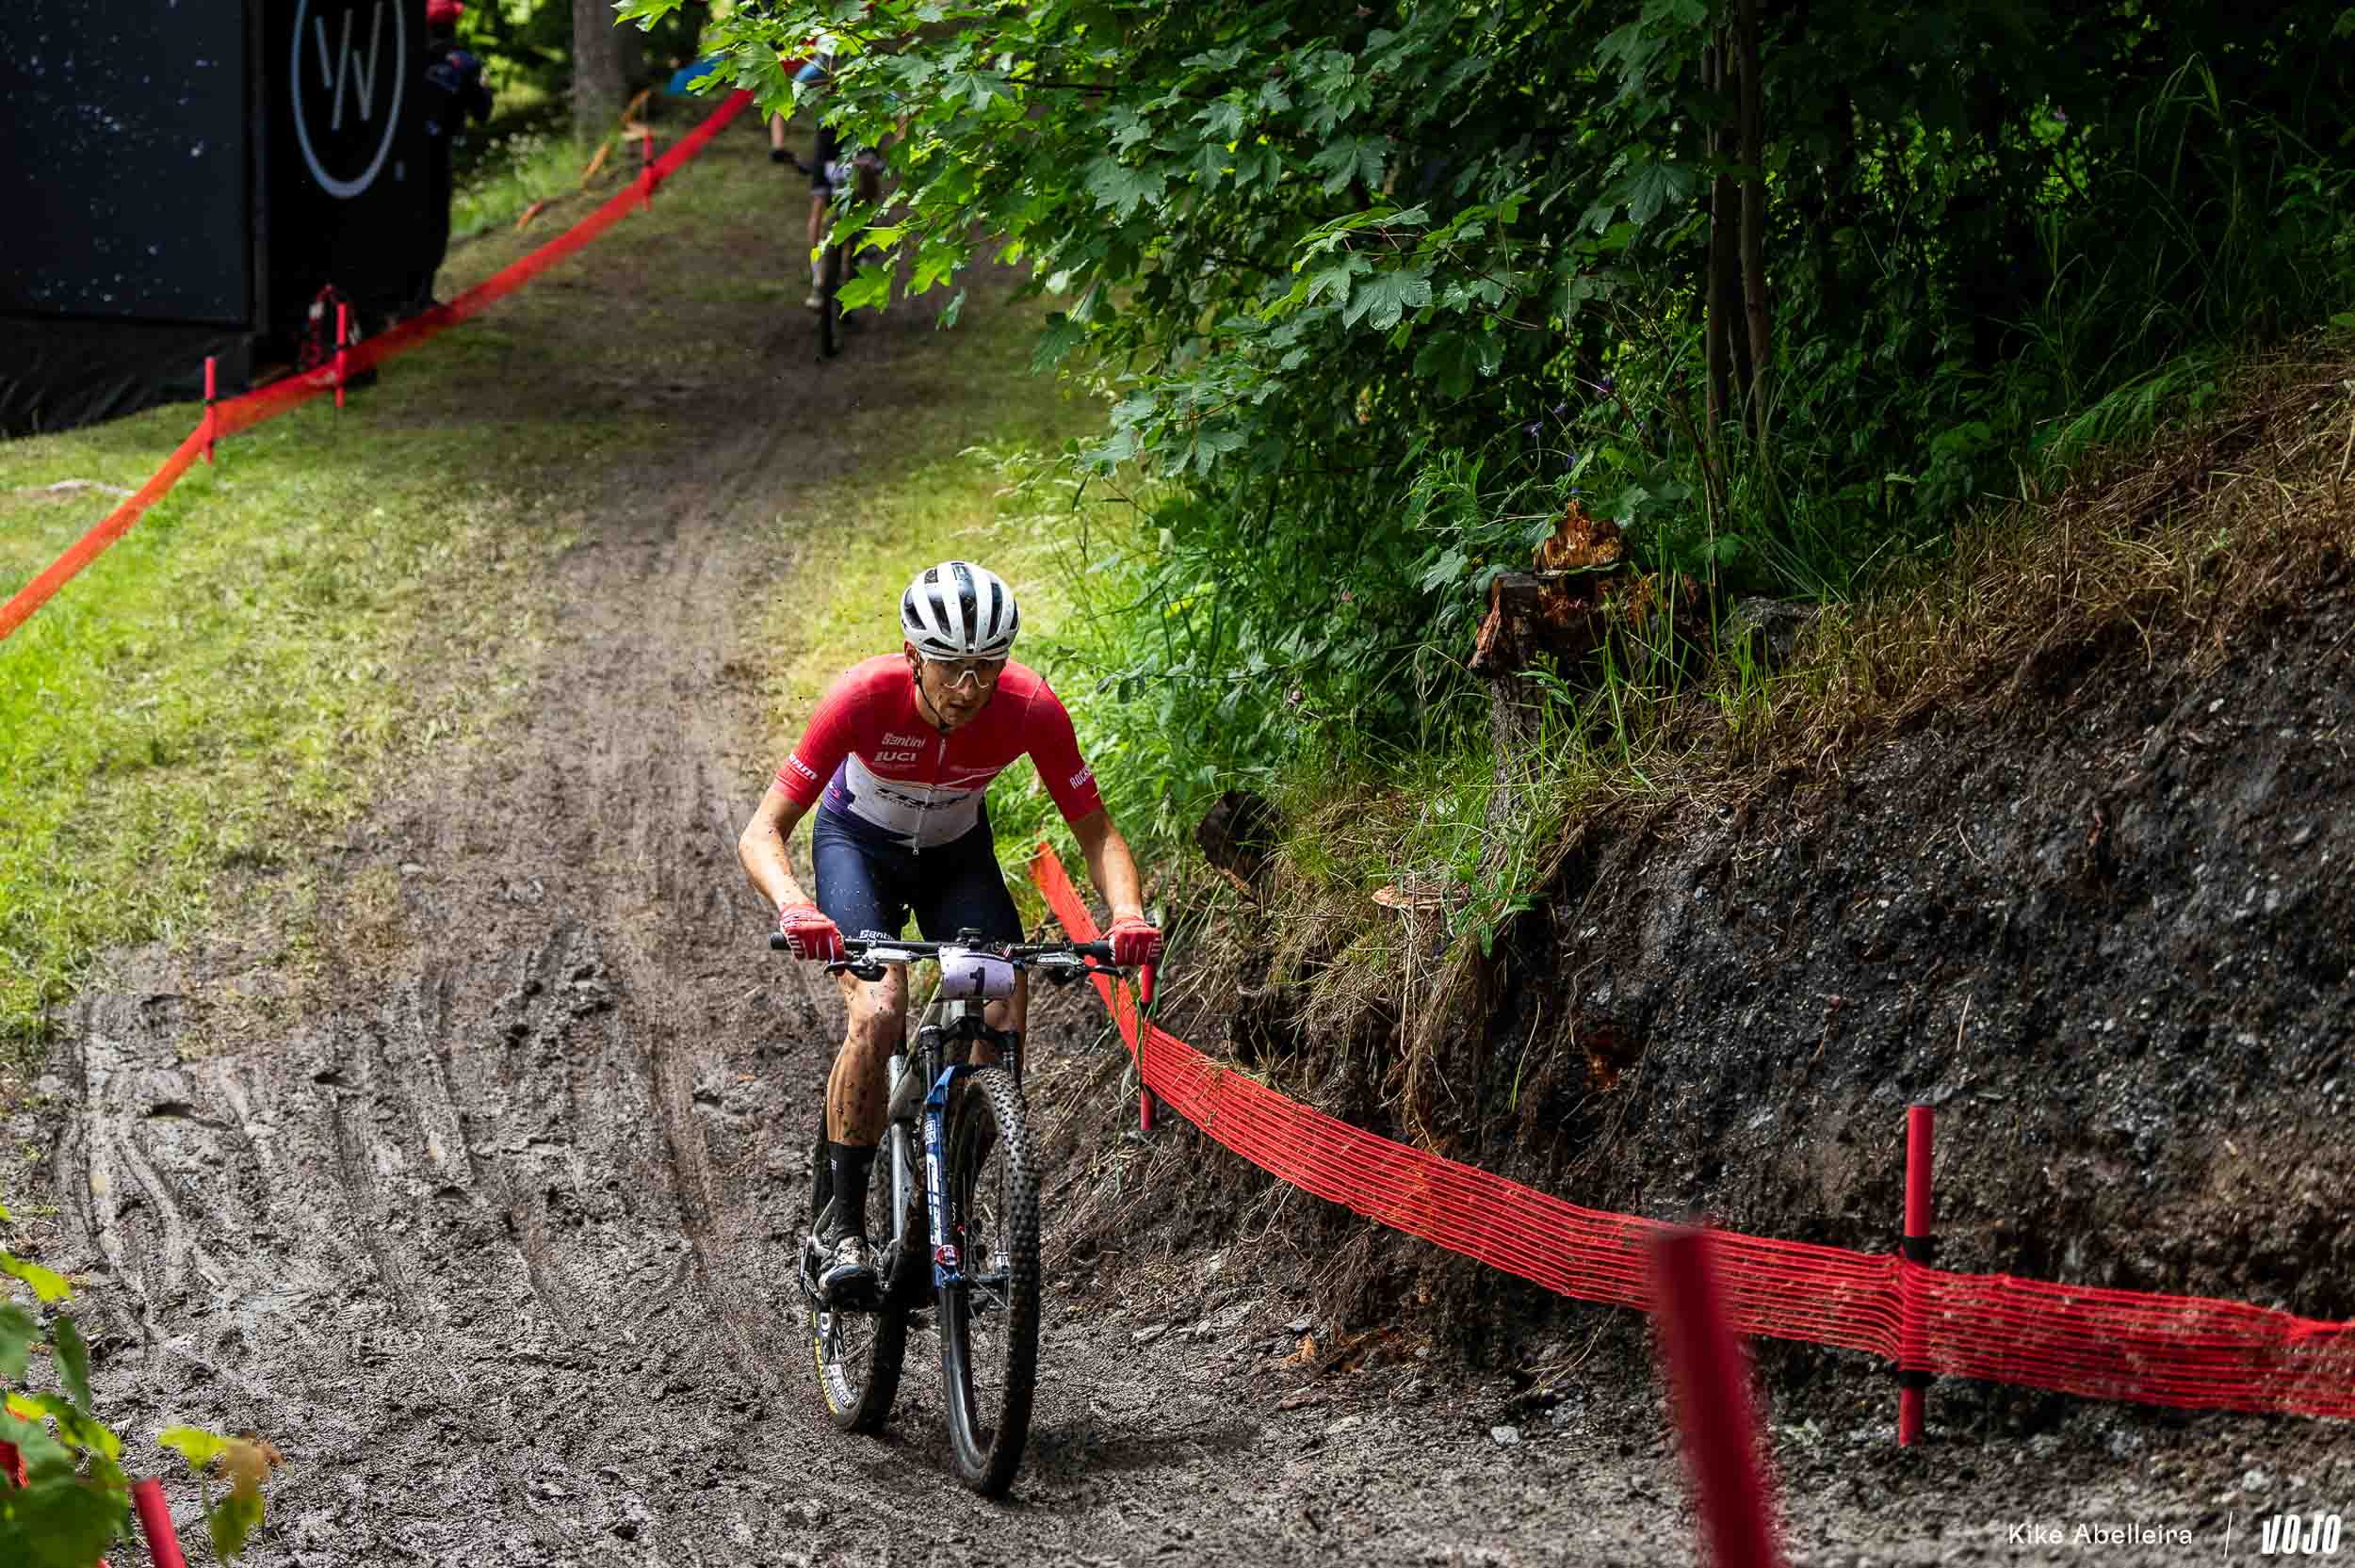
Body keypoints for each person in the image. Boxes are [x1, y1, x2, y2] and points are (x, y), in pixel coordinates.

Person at [738, 562, 1162, 1302]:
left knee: (1002, 1009)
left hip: (954, 858)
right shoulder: (862, 698)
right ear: (912, 656)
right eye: (952, 667)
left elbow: (1096, 831)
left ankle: (948, 1211)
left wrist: (1125, 911)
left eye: (988, 666)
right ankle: (842, 1229)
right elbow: (761, 830)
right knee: (880, 1010)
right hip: (858, 847)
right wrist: (794, 904)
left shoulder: (1029, 707)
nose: (970, 687)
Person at [409, 0, 495, 317]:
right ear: (453, 25)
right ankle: (420, 299)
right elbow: (482, 112)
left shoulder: (401, 58)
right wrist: (482, 88)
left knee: (407, 223)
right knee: (433, 225)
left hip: (399, 160)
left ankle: (404, 302)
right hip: (435, 157)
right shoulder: (464, 65)